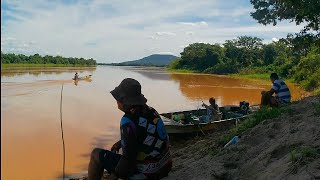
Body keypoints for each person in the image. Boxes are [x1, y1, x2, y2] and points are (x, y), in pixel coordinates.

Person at [88, 78, 172, 180]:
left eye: (118, 99)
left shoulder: (128, 121)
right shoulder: (150, 110)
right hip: (164, 167)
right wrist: (120, 143)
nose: (117, 102)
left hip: (147, 174)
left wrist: (114, 175)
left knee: (96, 154)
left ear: (125, 101)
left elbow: (128, 159)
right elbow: (144, 133)